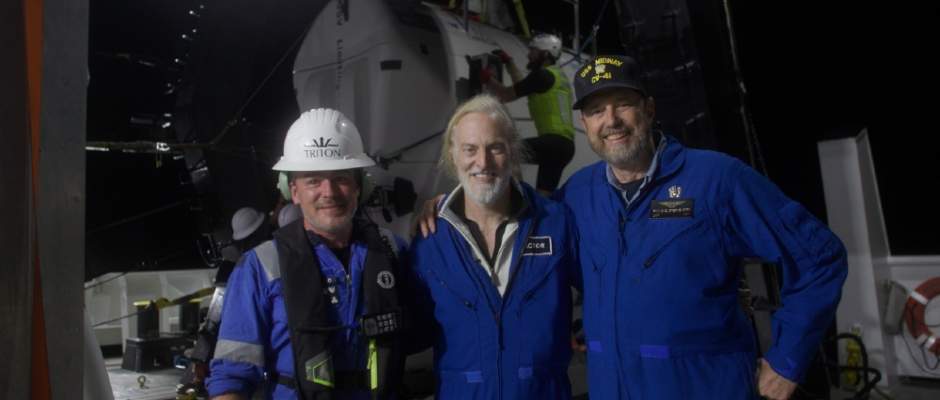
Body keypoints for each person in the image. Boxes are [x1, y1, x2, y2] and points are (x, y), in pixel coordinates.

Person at [420, 55, 848, 400]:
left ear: (649, 109)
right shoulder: (577, 196)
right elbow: (517, 216)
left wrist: (787, 361)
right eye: (595, 110)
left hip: (704, 387)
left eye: (622, 104)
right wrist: (451, 206)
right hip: (614, 387)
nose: (611, 120)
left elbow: (820, 256)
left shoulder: (717, 180)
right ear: (585, 124)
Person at [208, 108, 413, 400]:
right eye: (313, 180)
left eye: (341, 178)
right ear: (293, 191)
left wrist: (440, 208)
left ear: (360, 186)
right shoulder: (260, 267)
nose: (329, 192)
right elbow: (231, 378)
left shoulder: (393, 252)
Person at [408, 94, 580, 399]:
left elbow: (603, 287)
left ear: (512, 151)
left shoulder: (556, 222)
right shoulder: (430, 238)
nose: (483, 162)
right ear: (453, 154)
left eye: (495, 148)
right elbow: (415, 329)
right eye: (470, 149)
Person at [179, 207, 272, 398]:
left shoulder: (231, 267)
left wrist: (199, 359)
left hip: (236, 363)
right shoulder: (274, 261)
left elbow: (213, 319)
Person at [482, 33, 576, 195]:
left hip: (552, 142)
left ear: (545, 54)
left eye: (533, 51)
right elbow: (522, 85)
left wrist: (487, 79)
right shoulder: (556, 76)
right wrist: (509, 62)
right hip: (565, 146)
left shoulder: (542, 76)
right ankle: (534, 207)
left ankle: (520, 198)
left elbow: (506, 95)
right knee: (543, 196)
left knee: (507, 153)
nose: (528, 55)